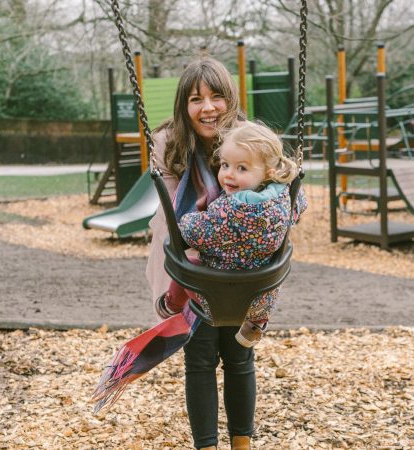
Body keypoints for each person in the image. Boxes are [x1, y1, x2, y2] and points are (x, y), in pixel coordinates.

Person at [145, 56, 263, 450]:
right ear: (184, 105)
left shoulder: (250, 140)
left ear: (230, 98)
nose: (208, 108)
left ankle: (242, 444)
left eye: (216, 97)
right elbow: (175, 216)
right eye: (196, 99)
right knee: (199, 362)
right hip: (191, 268)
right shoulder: (169, 143)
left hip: (241, 267)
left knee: (239, 358)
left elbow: (272, 190)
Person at [155, 122, 307, 348]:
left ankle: (171, 305)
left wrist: (185, 221)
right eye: (225, 165)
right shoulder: (287, 195)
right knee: (265, 270)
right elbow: (301, 206)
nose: (228, 175)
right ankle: (256, 324)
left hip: (219, 297)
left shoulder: (229, 212)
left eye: (242, 168)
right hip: (261, 297)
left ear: (268, 172)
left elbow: (193, 232)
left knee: (185, 263)